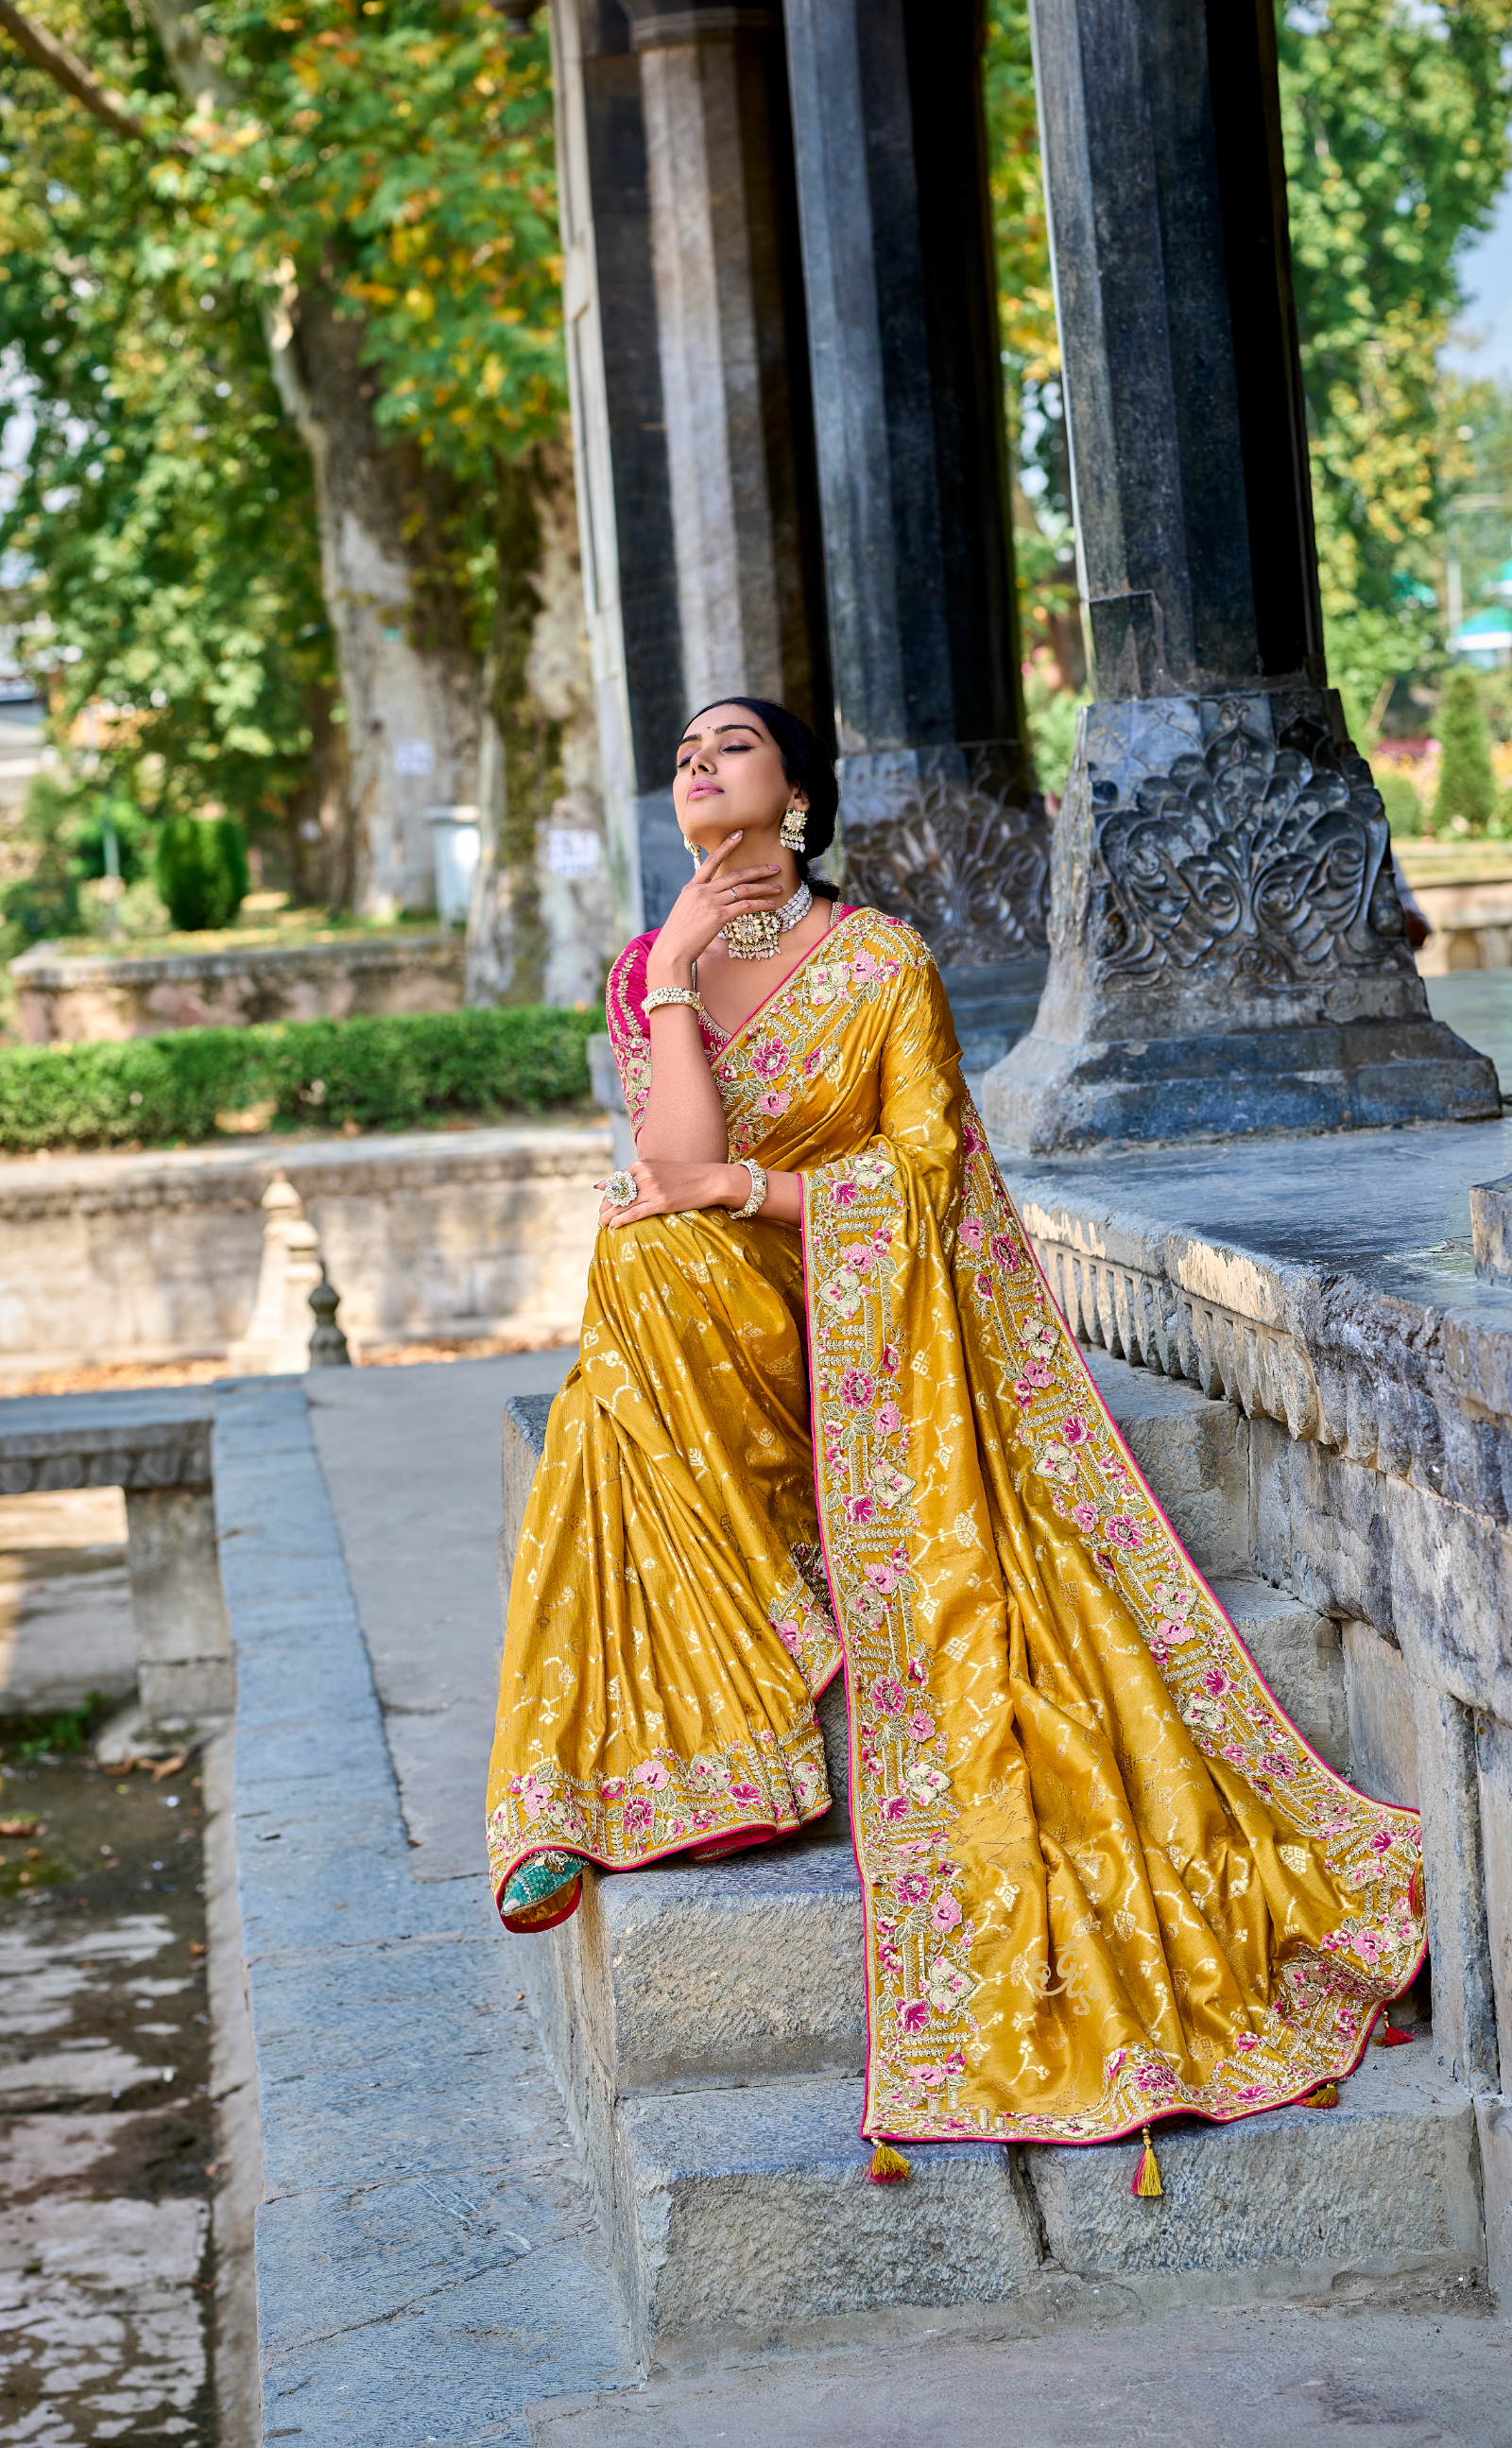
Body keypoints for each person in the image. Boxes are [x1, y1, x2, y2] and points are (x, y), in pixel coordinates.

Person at [486, 698, 1424, 2160]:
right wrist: (674, 975)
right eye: (678, 753)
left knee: (651, 1264)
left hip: (869, 1320)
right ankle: (735, 1721)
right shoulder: (648, 967)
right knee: (636, 1257)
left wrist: (750, 1195)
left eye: (730, 745)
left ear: (800, 793)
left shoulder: (878, 962)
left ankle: (744, 1659)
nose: (694, 763)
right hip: (713, 1318)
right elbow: (666, 1166)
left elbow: (922, 1179)